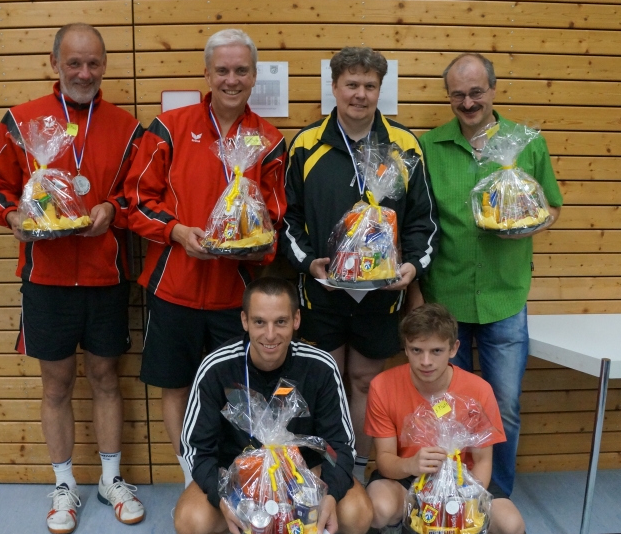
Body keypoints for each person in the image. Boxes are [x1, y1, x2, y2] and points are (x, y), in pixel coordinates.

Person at [0, 23, 144, 534]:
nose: (84, 72)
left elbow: (138, 194)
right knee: (55, 384)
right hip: (46, 279)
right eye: (74, 62)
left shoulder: (126, 127)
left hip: (105, 276)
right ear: (55, 63)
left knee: (105, 378)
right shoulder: (20, 120)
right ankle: (64, 485)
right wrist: (14, 216)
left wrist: (111, 209)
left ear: (104, 65)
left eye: (93, 63)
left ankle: (111, 479)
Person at [124, 29, 287, 485]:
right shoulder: (169, 128)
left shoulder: (269, 140)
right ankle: (192, 481)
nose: (231, 79)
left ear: (254, 76)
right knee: (176, 386)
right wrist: (176, 232)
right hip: (172, 286)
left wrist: (255, 242)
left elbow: (275, 215)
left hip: (236, 296)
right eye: (223, 70)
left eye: (241, 71)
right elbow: (135, 201)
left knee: (237, 393)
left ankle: (236, 480)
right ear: (207, 73)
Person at [282, 47, 439, 485]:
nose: (360, 94)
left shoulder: (404, 145)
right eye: (351, 84)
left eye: (370, 86)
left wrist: (412, 269)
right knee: (325, 380)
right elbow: (288, 219)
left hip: (383, 295)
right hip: (322, 291)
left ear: (379, 90)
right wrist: (309, 264)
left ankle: (357, 475)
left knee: (367, 382)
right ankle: (324, 478)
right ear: (334, 87)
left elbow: (424, 221)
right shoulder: (307, 144)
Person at [418, 52, 563, 497]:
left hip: (505, 297)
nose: (468, 102)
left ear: (494, 90)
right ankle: (452, 496)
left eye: (476, 92)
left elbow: (552, 206)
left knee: (505, 406)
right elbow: (419, 219)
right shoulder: (430, 147)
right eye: (458, 94)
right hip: (446, 298)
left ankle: (496, 498)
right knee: (448, 408)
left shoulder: (527, 143)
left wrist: (528, 225)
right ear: (448, 96)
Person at [175, 276, 374, 534]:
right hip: (238, 481)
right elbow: (196, 449)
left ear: (296, 320)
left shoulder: (320, 365)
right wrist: (224, 499)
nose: (270, 334)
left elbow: (340, 445)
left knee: (358, 517)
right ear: (244, 321)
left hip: (306, 478)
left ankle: (301, 528)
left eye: (280, 321)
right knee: (189, 524)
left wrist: (330, 494)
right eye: (260, 322)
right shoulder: (216, 367)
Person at [365, 304, 527, 534]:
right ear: (405, 348)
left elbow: (483, 460)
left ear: (453, 349)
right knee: (378, 510)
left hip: (464, 479)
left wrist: (464, 502)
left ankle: (459, 528)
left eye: (436, 351)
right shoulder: (382, 386)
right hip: (406, 476)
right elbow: (384, 459)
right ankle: (393, 525)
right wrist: (411, 464)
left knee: (512, 528)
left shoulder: (479, 390)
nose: (426, 361)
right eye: (416, 350)